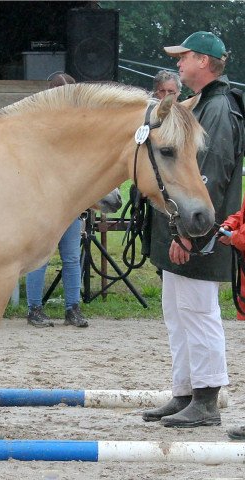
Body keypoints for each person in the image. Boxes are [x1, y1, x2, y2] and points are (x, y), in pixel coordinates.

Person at [142, 32, 244, 428]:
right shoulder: (201, 105)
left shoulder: (217, 108)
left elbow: (211, 176)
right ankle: (185, 391)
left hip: (200, 229)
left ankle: (206, 399)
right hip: (190, 227)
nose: (179, 64)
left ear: (203, 61)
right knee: (178, 313)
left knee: (199, 313)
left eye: (184, 58)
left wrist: (190, 236)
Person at [25, 73, 87, 329]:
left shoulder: (77, 129)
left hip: (69, 202)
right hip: (46, 203)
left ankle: (72, 307)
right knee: (41, 258)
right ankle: (34, 308)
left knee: (72, 257)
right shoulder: (39, 127)